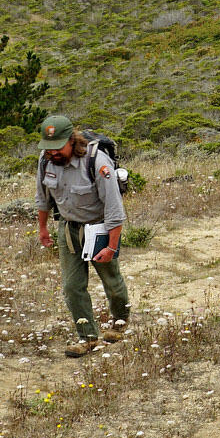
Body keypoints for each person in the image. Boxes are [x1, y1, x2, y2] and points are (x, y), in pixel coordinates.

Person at [34, 114, 131, 358]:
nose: (52, 153)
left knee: (112, 280)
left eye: (57, 147)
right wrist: (43, 228)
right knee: (71, 287)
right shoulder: (45, 161)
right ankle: (87, 337)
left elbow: (114, 210)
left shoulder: (97, 162)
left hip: (99, 228)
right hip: (68, 229)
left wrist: (110, 246)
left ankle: (119, 323)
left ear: (71, 140)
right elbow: (42, 197)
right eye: (48, 148)